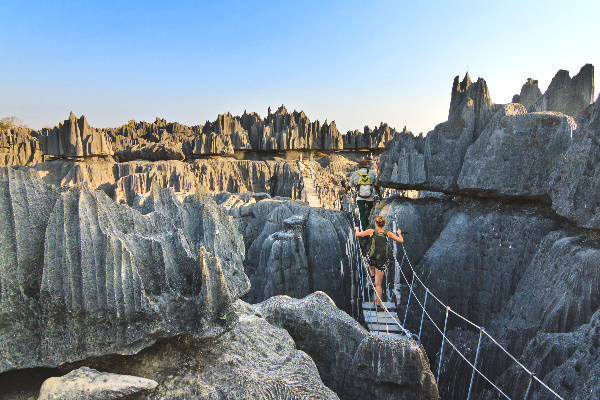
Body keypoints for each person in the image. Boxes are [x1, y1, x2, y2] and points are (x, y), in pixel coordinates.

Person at [355, 216, 403, 311]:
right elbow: (401, 240)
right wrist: (399, 234)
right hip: (382, 261)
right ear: (383, 224)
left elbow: (358, 234)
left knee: (368, 258)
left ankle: (372, 276)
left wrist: (357, 229)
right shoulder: (387, 233)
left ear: (376, 224)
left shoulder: (371, 231)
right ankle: (378, 305)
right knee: (378, 285)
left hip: (372, 259)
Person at [341, 159, 381, 230]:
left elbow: (350, 185)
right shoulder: (372, 173)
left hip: (360, 198)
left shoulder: (355, 174)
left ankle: (364, 232)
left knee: (362, 214)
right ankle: (366, 221)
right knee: (369, 210)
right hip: (370, 197)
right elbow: (376, 185)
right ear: (366, 166)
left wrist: (345, 192)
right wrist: (379, 195)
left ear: (359, 167)